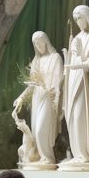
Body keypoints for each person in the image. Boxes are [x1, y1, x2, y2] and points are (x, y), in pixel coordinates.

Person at [13, 32, 63, 165]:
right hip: (37, 98)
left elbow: (59, 80)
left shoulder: (55, 57)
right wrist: (21, 98)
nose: (39, 45)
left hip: (48, 98)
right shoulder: (36, 61)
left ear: (46, 42)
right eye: (36, 44)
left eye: (40, 42)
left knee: (41, 129)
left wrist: (50, 88)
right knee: (35, 131)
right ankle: (41, 157)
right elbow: (31, 85)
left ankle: (48, 157)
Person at [62, 6, 89, 166]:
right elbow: (70, 64)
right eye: (76, 19)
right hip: (73, 83)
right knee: (72, 118)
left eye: (80, 18)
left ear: (87, 17)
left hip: (86, 85)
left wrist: (81, 59)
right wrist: (71, 58)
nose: (78, 22)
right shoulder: (77, 38)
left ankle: (85, 155)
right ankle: (77, 154)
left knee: (80, 117)